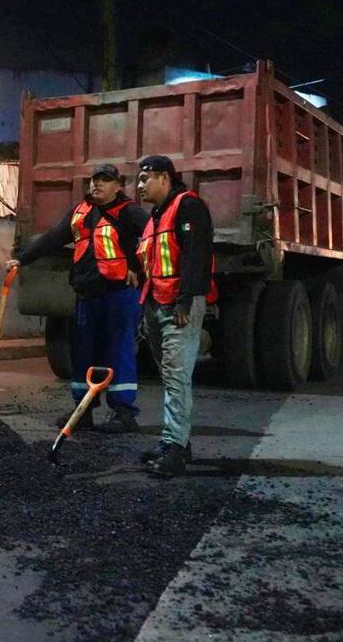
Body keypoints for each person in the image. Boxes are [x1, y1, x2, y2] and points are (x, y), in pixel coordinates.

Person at [5, 164, 149, 433]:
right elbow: (52, 239)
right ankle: (83, 411)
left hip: (119, 295)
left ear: (118, 185)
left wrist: (137, 267)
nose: (97, 185)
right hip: (87, 295)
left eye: (105, 180)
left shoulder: (130, 212)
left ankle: (124, 413)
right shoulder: (80, 213)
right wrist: (22, 259)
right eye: (94, 180)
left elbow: (152, 238)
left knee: (119, 351)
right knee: (85, 354)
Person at [134, 155, 216, 477]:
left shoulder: (189, 206)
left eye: (145, 179)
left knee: (177, 378)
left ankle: (176, 451)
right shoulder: (157, 214)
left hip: (177, 306)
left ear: (165, 178)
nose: (139, 186)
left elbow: (196, 256)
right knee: (169, 376)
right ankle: (174, 442)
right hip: (157, 305)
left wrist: (184, 302)